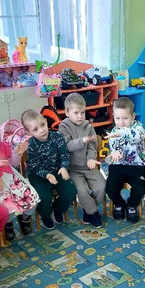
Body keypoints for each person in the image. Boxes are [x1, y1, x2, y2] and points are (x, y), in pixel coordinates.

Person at [21, 109, 76, 230]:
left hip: (57, 171)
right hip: (39, 175)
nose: (42, 130)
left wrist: (64, 167)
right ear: (28, 132)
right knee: (43, 196)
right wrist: (47, 175)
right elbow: (34, 166)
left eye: (42, 125)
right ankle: (45, 216)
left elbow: (64, 154)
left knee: (70, 191)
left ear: (46, 121)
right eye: (35, 129)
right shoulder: (31, 144)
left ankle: (57, 209)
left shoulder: (57, 137)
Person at [59, 93, 106, 228]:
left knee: (101, 186)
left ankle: (88, 211)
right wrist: (82, 141)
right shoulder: (63, 127)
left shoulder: (88, 127)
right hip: (73, 168)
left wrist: (91, 158)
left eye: (82, 112)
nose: (80, 116)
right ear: (67, 112)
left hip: (88, 166)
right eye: (76, 113)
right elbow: (67, 146)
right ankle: (93, 213)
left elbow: (92, 147)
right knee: (82, 189)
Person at [105, 97, 145, 223]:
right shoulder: (113, 131)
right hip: (118, 165)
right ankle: (119, 204)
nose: (121, 122)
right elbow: (113, 148)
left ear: (133, 116)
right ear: (113, 116)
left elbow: (138, 136)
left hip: (136, 166)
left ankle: (132, 205)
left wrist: (120, 133)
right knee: (110, 188)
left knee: (140, 189)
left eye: (125, 118)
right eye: (117, 118)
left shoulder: (138, 127)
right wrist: (114, 152)